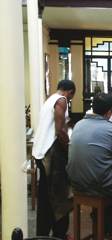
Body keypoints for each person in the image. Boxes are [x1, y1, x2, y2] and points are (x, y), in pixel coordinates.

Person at [67, 93, 112, 198]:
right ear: (109, 112)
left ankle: (99, 212)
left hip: (76, 182)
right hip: (101, 184)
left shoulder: (78, 125)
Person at [32, 80, 76, 239]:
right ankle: (58, 233)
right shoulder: (61, 100)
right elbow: (59, 130)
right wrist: (69, 148)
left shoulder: (49, 99)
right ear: (69, 92)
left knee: (46, 196)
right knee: (58, 196)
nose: (69, 100)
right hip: (51, 153)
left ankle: (44, 233)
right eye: (71, 97)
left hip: (40, 152)